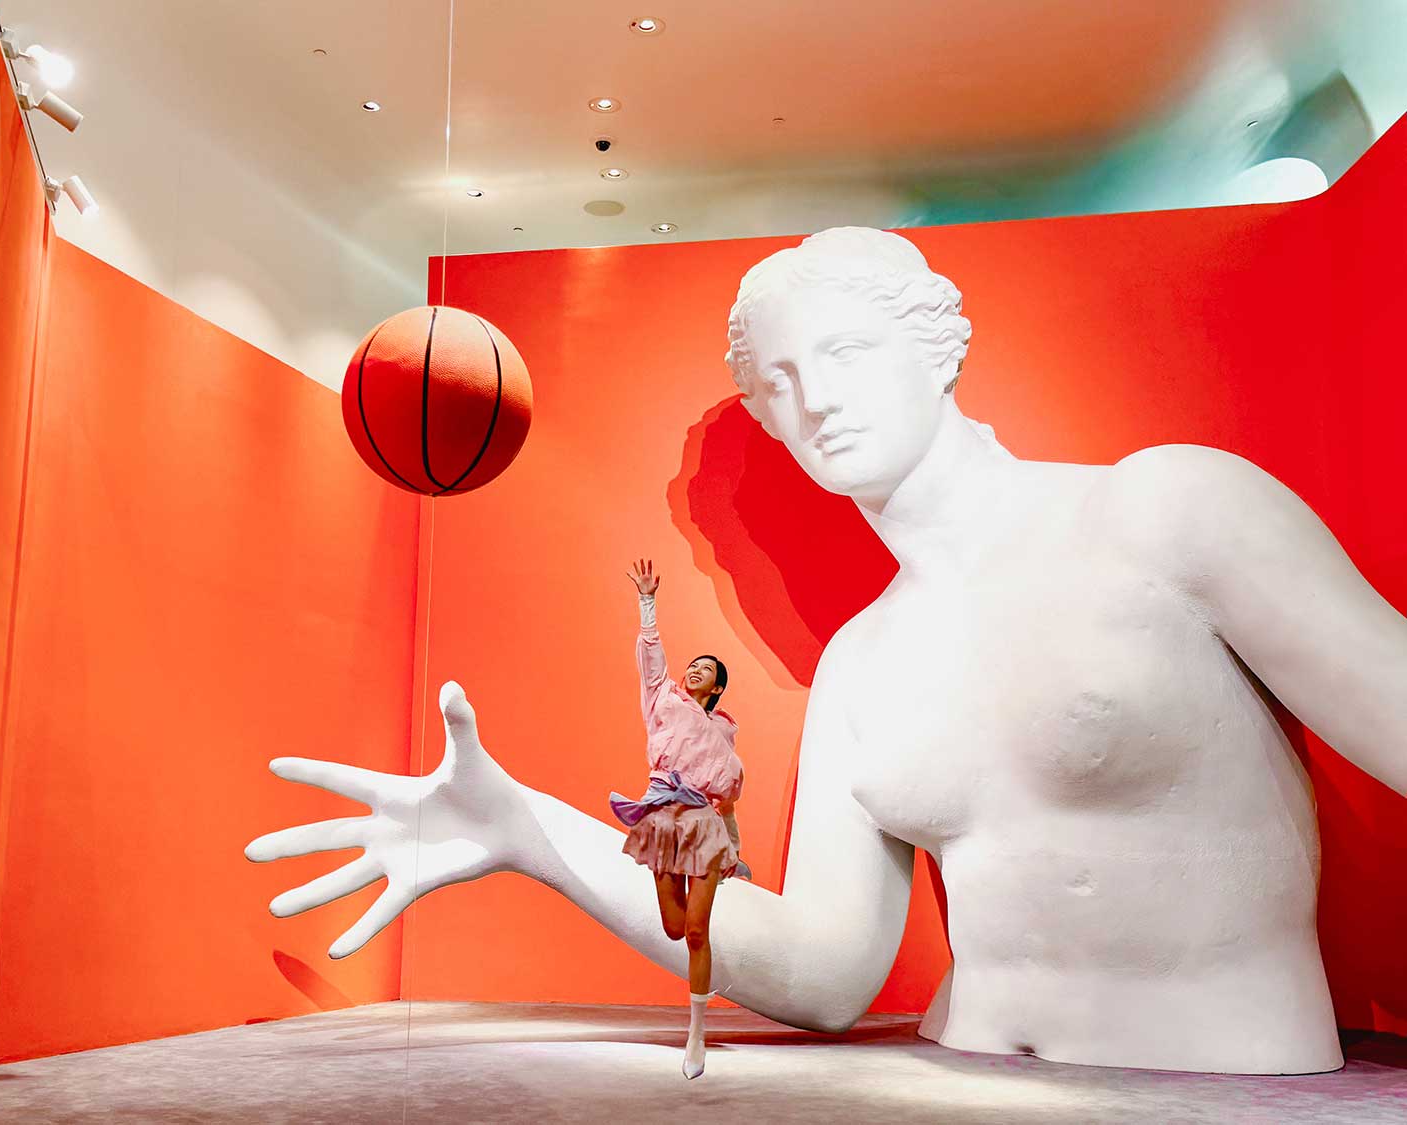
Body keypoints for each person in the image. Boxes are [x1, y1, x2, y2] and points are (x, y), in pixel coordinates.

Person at [246, 226, 1407, 1076]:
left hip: (1231, 1082)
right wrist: (537, 833)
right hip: (963, 1077)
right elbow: (823, 972)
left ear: (936, 346)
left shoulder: (1170, 511)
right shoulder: (864, 659)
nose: (814, 402)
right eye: (779, 385)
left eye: (846, 350)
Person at [608, 558, 745, 1079]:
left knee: (695, 932)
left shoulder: (724, 732)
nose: (694, 670)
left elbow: (729, 797)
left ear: (716, 688)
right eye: (693, 664)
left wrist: (733, 844)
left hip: (704, 824)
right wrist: (647, 601)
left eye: (705, 670)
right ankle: (698, 1007)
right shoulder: (662, 697)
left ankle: (697, 1033)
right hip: (663, 819)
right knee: (672, 927)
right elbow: (651, 655)